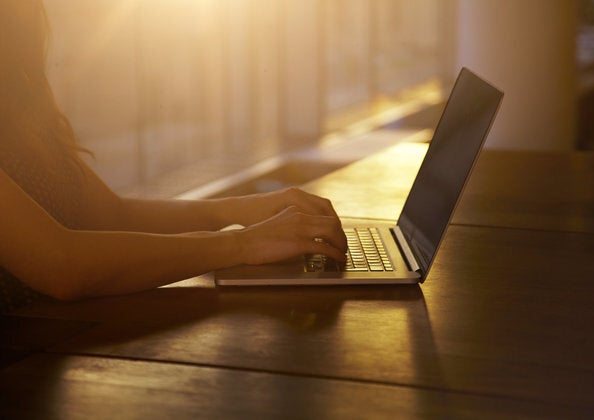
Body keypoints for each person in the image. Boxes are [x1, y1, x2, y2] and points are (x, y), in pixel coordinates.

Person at [0, 0, 347, 313]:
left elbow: (113, 216)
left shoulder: (19, 91)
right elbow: (64, 267)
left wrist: (235, 210)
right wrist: (244, 243)